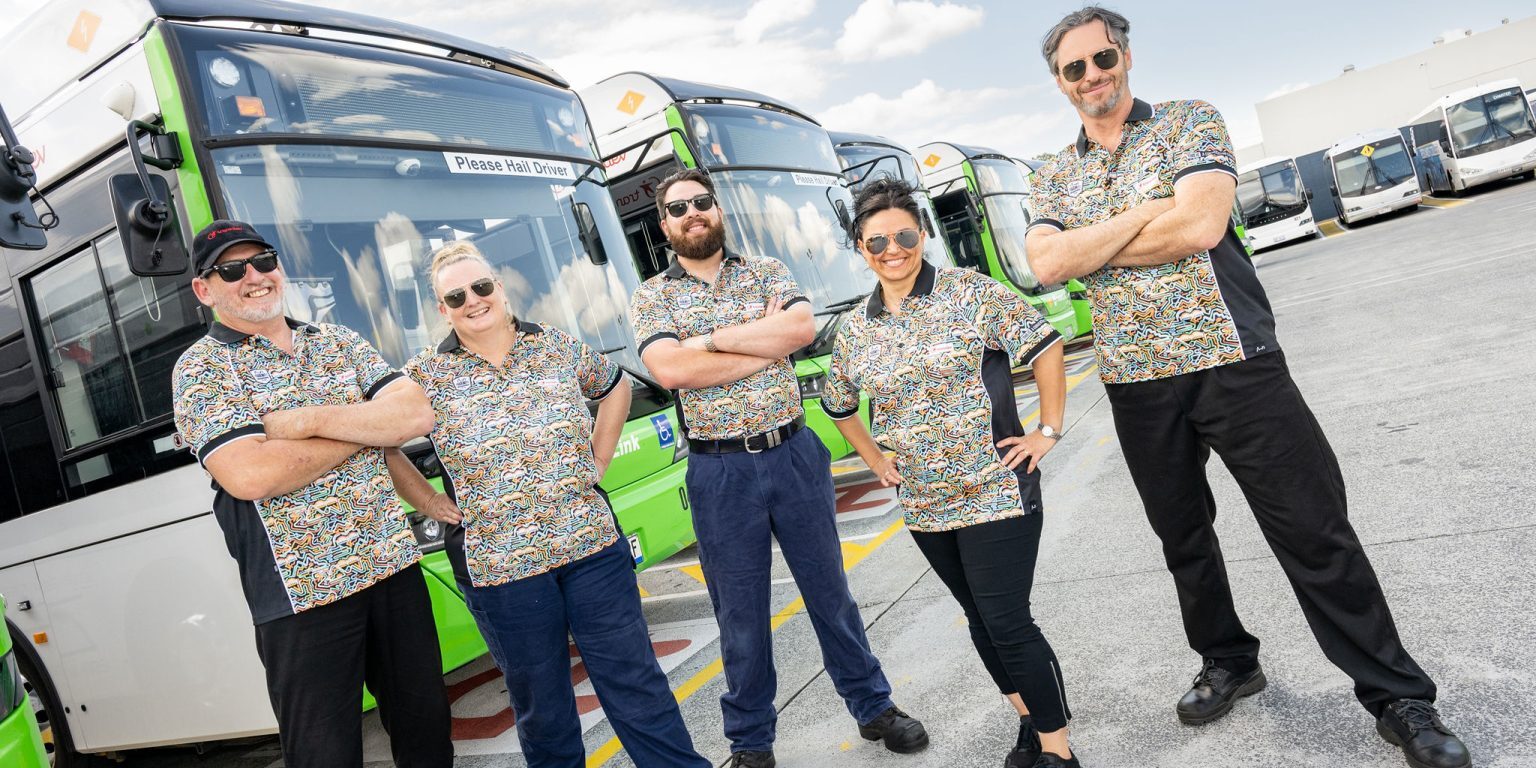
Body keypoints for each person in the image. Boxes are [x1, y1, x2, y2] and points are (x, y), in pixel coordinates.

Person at [1023, 8, 1470, 768]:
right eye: (1075, 68)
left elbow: (1199, 228)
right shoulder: (1050, 171)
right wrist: (1143, 213)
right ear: (1059, 83)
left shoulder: (1192, 121)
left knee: (1313, 530)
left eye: (1103, 58)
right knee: (1183, 540)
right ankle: (1229, 660)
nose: (1093, 75)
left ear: (1126, 56)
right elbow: (1046, 266)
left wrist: (1092, 242)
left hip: (1235, 361)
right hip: (1136, 383)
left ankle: (1398, 697)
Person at [629, 169, 928, 768]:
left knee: (829, 592)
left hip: (793, 454)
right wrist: (752, 343)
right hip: (720, 473)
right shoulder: (651, 297)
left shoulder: (767, 271)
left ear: (717, 211)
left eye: (701, 202)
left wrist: (707, 343)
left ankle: (874, 707)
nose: (692, 213)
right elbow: (671, 372)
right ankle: (751, 743)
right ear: (664, 225)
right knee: (738, 614)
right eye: (678, 207)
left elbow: (799, 329)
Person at [384, 242, 710, 768]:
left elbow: (614, 387)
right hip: (503, 571)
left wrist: (598, 459)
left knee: (636, 682)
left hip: (591, 548)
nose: (474, 299)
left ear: (501, 288)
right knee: (545, 708)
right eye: (456, 295)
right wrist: (425, 498)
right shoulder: (422, 375)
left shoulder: (554, 345)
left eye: (482, 286)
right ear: (442, 309)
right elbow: (384, 442)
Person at [171, 220, 451, 768]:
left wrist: (305, 422)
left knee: (427, 732)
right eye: (232, 269)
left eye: (264, 260)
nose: (254, 276)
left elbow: (416, 414)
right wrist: (366, 427)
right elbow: (251, 475)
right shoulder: (201, 369)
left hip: (391, 568)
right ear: (205, 290)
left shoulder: (338, 339)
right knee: (324, 756)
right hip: (301, 595)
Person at [825, 179, 1078, 768]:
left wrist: (1048, 430)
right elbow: (838, 404)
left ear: (923, 235)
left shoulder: (969, 293)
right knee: (980, 621)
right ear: (860, 248)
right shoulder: (856, 330)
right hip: (926, 506)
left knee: (1009, 622)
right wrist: (875, 460)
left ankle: (1058, 752)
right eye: (878, 240)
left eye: (906, 235)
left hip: (995, 490)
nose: (894, 249)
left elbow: (1044, 346)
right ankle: (1028, 723)